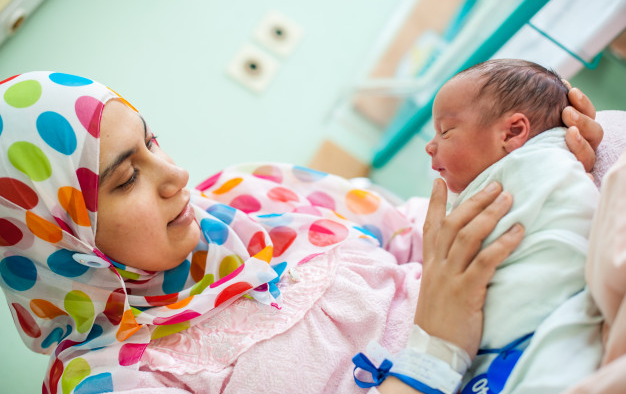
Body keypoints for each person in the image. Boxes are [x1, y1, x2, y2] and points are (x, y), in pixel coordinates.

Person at [0, 71, 603, 394]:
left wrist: (533, 160)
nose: (177, 176)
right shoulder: (111, 379)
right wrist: (436, 350)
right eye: (127, 176)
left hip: (542, 328)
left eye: (152, 143)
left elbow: (430, 227)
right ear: (56, 238)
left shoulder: (253, 194)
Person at [421, 59, 599, 391]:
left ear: (513, 132)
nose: (430, 145)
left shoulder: (536, 166)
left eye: (445, 131)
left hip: (542, 316)